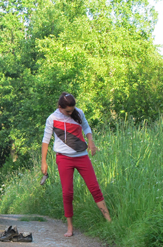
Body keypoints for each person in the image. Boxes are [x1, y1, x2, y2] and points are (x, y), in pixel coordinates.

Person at [41, 92, 111, 237]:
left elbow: (86, 128)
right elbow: (45, 140)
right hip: (63, 158)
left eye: (72, 110)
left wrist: (91, 141)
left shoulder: (78, 113)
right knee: (67, 193)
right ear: (60, 107)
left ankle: (110, 222)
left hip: (82, 157)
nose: (71, 113)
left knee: (95, 188)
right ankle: (70, 228)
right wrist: (44, 162)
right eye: (68, 111)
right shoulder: (52, 118)